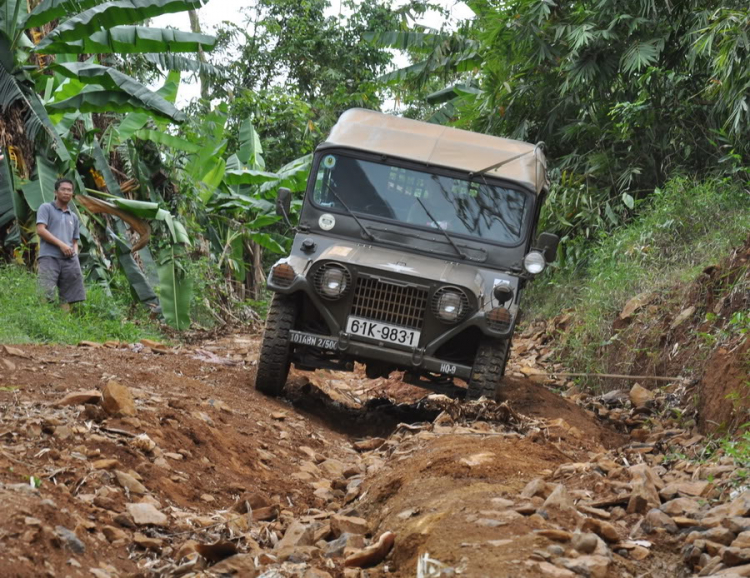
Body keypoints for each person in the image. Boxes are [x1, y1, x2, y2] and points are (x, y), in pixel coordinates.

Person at [36, 178, 86, 310]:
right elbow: (40, 230)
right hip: (49, 256)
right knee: (45, 291)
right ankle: (42, 322)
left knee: (68, 296)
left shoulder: (73, 216)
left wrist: (74, 254)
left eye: (69, 190)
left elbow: (74, 241)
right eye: (63, 189)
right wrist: (62, 245)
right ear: (55, 192)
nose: (66, 192)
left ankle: (65, 326)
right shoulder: (46, 208)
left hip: (68, 260)